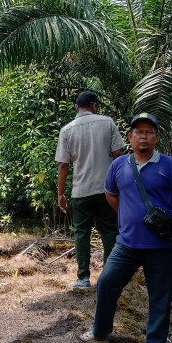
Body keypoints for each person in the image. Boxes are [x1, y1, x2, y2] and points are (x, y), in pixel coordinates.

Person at [79, 113, 172, 343]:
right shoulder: (119, 165)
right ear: (129, 137)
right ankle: (102, 331)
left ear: (156, 137)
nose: (144, 137)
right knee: (106, 282)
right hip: (127, 244)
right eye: (139, 132)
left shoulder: (168, 165)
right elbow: (111, 194)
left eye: (149, 132)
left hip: (161, 245)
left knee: (160, 295)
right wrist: (128, 215)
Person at [56, 91, 125, 289]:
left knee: (81, 233)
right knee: (110, 230)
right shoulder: (107, 122)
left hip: (81, 191)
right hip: (107, 190)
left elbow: (63, 165)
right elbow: (118, 155)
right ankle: (111, 275)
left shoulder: (67, 130)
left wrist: (60, 194)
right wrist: (121, 186)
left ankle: (83, 278)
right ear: (94, 106)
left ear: (77, 107)